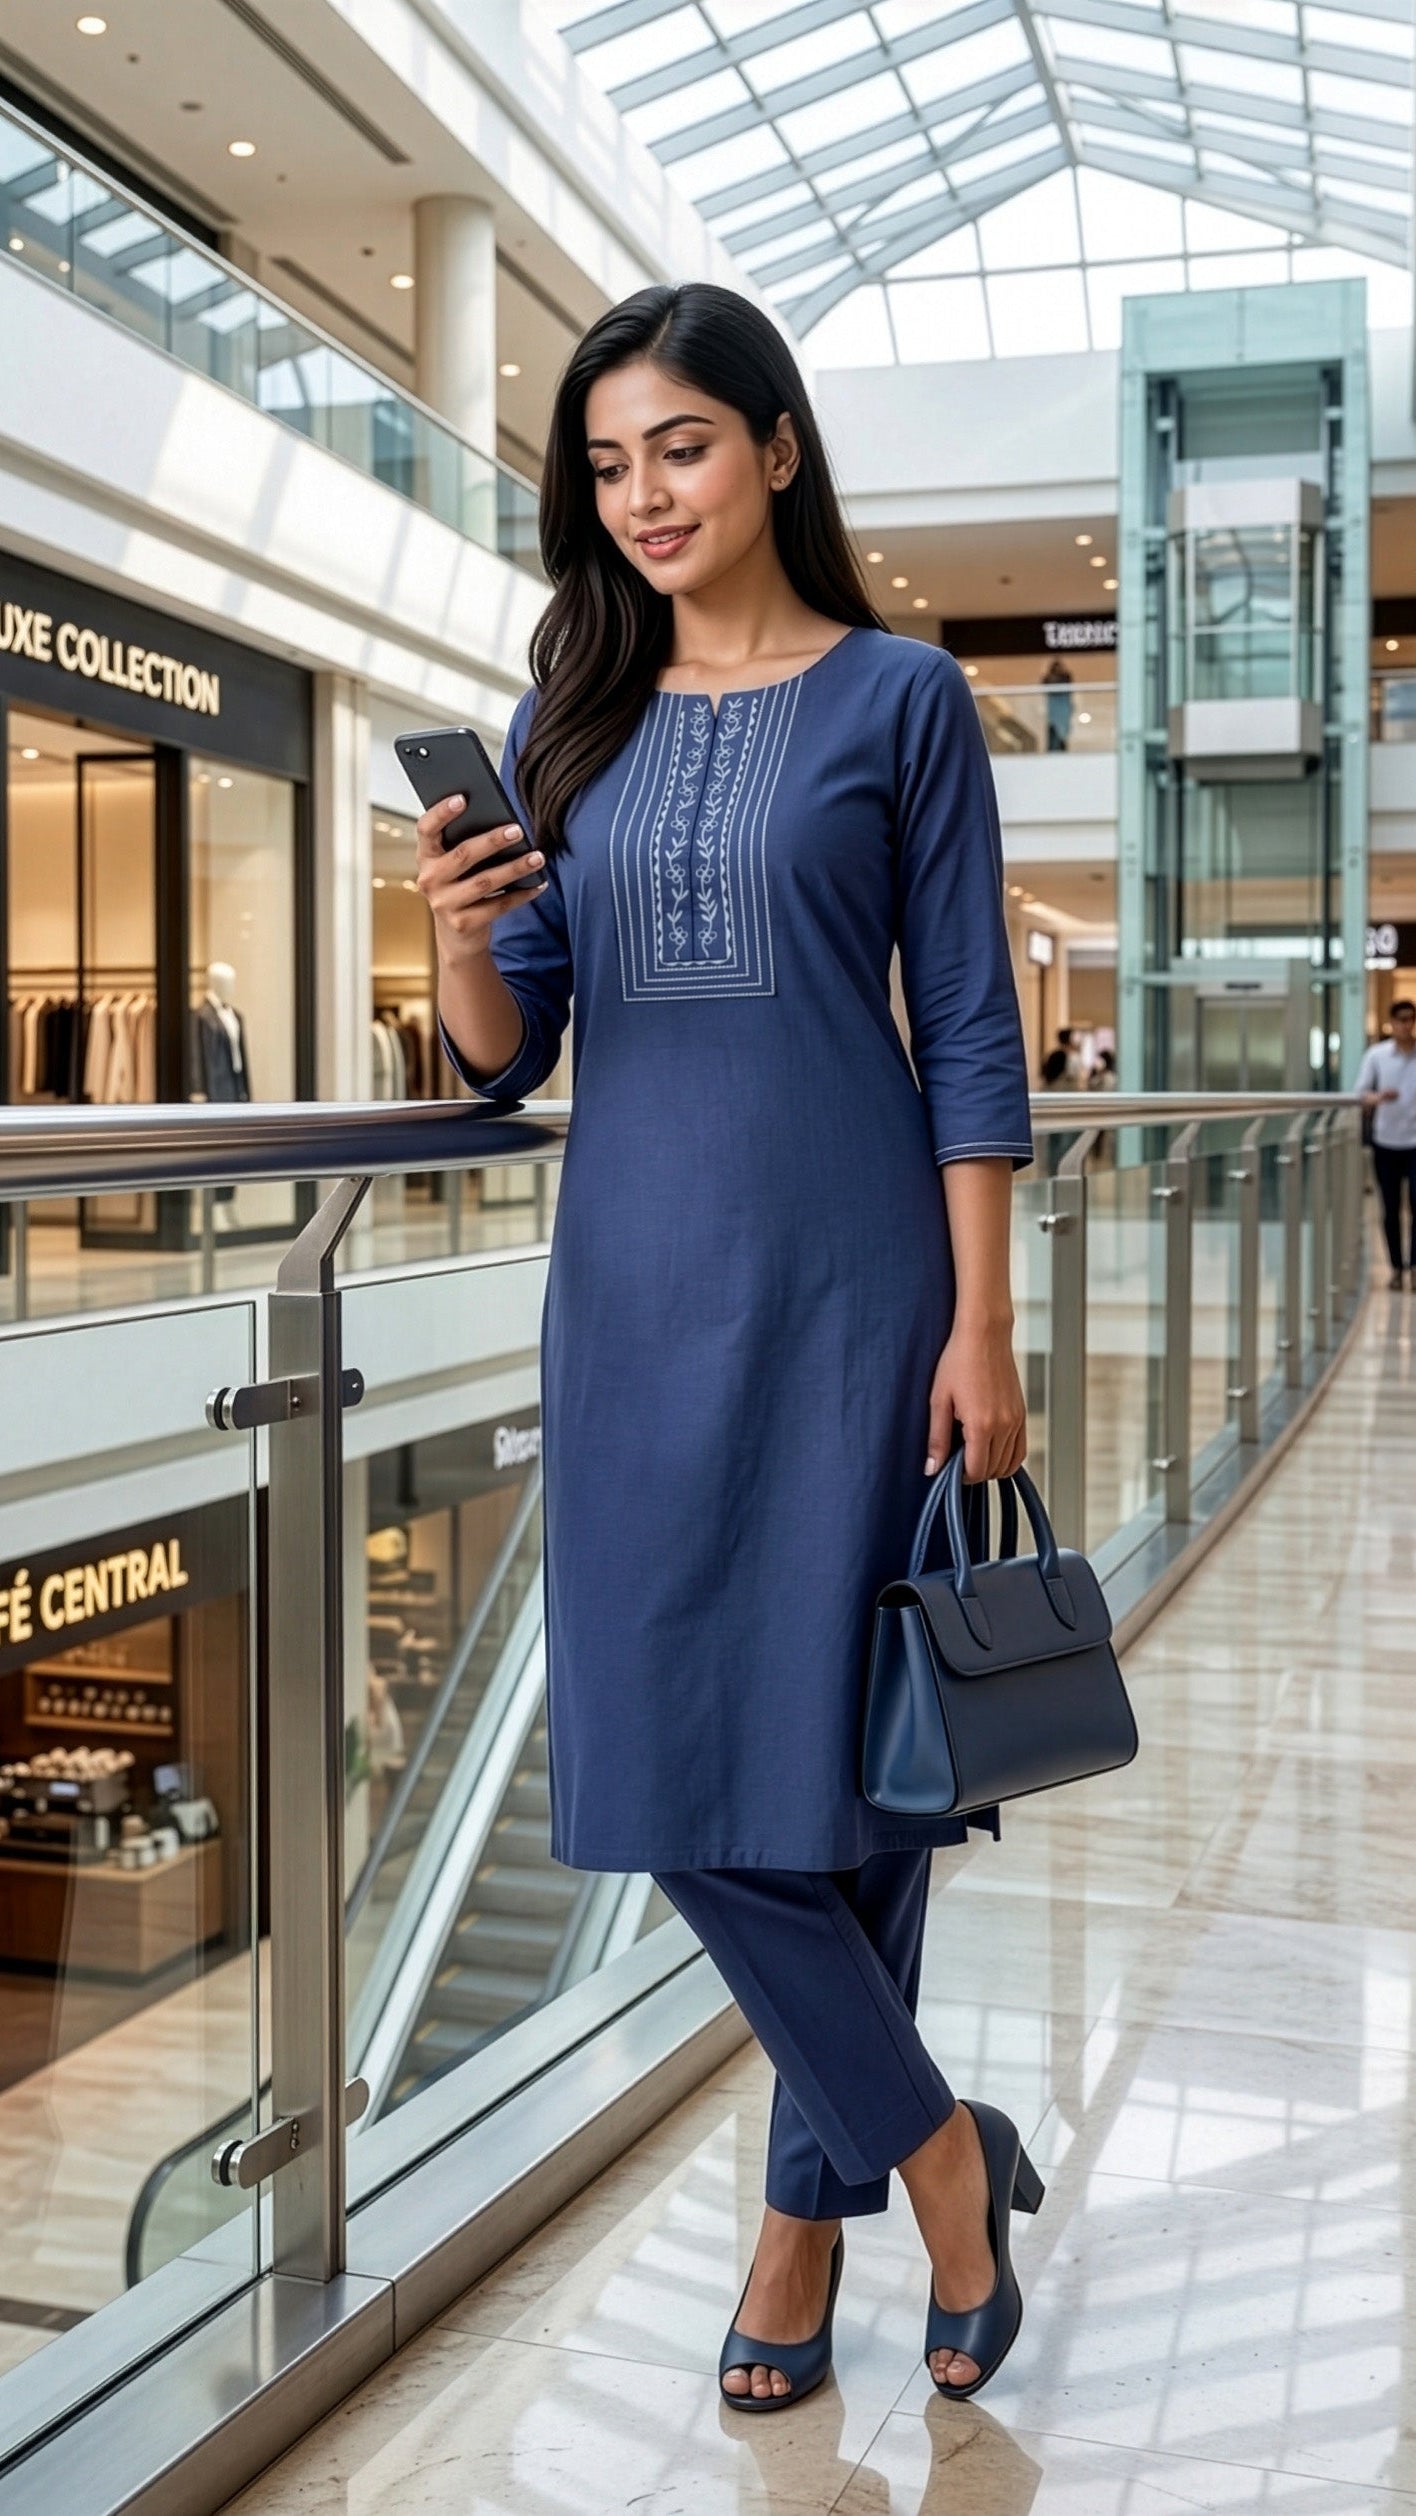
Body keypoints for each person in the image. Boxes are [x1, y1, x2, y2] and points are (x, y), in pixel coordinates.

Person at [415, 283, 1039, 2410]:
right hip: (634, 1299)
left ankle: (803, 2221)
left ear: (775, 447)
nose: (642, 495)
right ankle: (944, 2160)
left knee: (851, 1765)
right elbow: (509, 1058)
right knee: (673, 1773)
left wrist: (987, 1320)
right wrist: (449, 936)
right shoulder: (560, 719)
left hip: (864, 1290)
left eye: (679, 444)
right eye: (605, 463)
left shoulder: (901, 699)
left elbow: (966, 1024)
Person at [1357, 998, 1416, 1286]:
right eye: (1401, 1019)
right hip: (1387, 1142)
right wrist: (1379, 1098)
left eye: (1410, 1019)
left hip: (1415, 1143)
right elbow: (1360, 1094)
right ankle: (1396, 1267)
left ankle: (1415, 1266)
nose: (1406, 1025)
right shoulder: (1377, 1056)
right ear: (1392, 1023)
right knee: (1390, 1208)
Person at [1041, 655, 1073, 752]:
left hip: (1062, 712)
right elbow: (1045, 683)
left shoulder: (1065, 678)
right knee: (1054, 735)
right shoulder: (1049, 680)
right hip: (1053, 715)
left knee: (1061, 736)